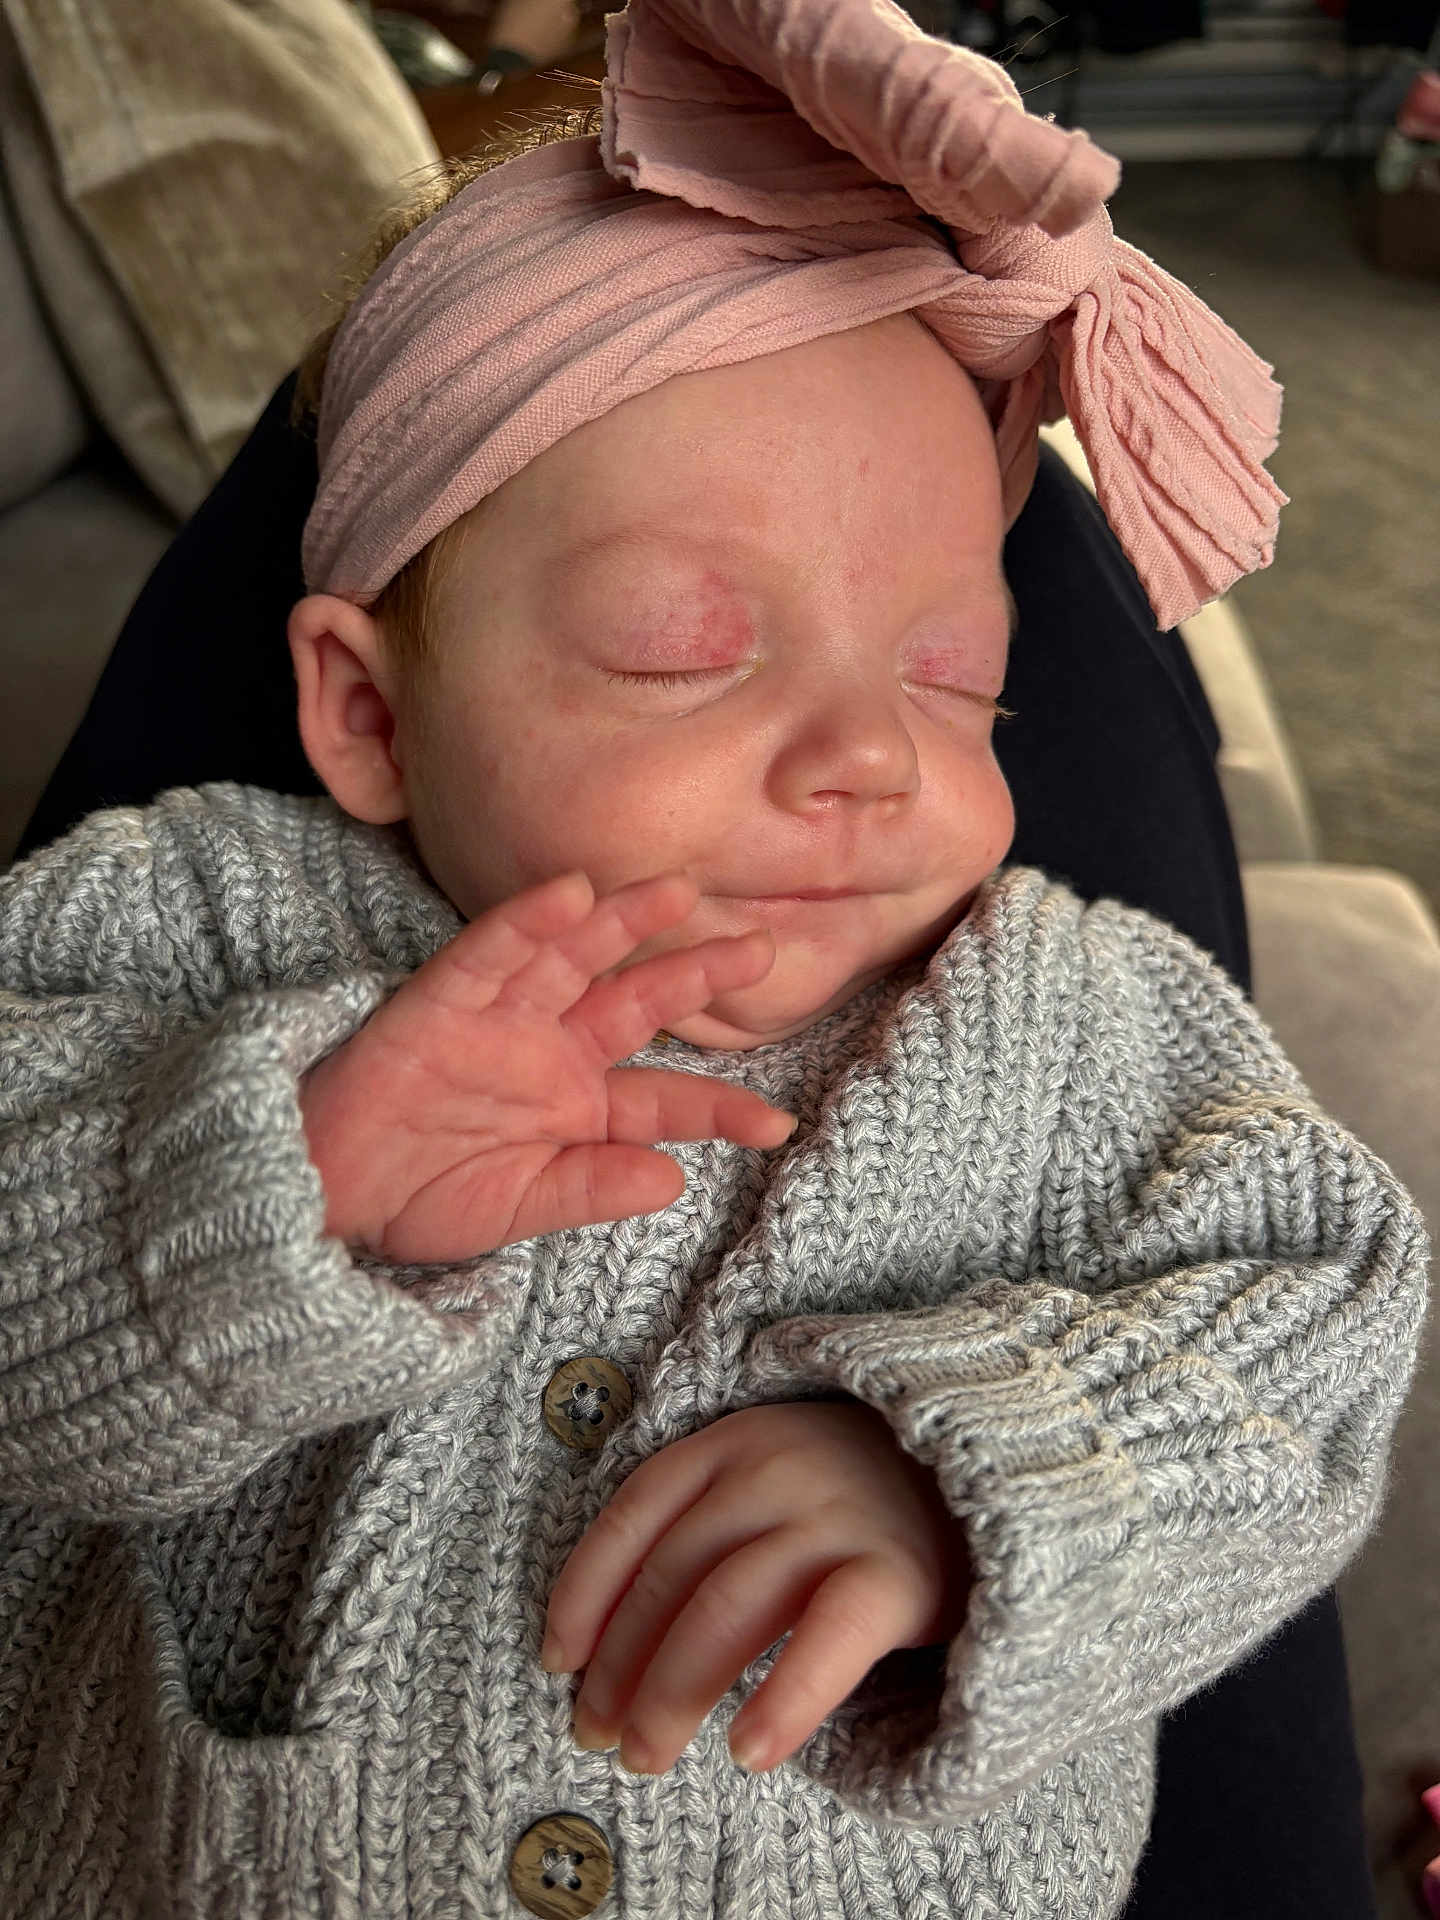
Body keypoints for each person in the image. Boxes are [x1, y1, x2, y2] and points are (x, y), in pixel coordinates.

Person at [0, 4, 1427, 1916]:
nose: (865, 756)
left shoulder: (1081, 1023)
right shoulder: (199, 926)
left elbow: (1318, 1334)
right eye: (685, 647)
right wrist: (267, 1172)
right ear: (367, 711)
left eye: (956, 680)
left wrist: (969, 1482)